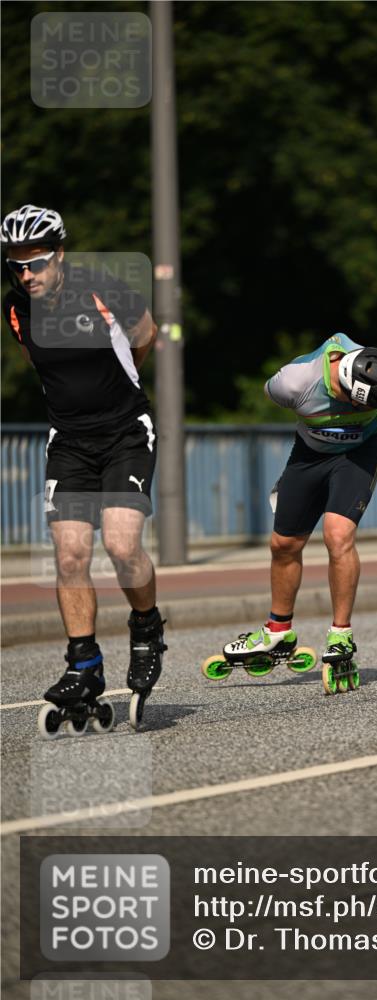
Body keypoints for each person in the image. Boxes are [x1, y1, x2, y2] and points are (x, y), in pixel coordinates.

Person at [1, 204, 166, 733]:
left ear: (61, 255)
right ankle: (83, 663)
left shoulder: (104, 289)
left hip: (124, 433)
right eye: (17, 265)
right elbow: (41, 366)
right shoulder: (15, 308)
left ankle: (146, 629)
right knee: (70, 553)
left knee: (121, 546)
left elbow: (146, 338)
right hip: (69, 441)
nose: (28, 275)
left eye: (38, 262)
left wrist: (120, 394)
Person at [222, 332, 377, 676]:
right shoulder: (293, 383)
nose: (361, 410)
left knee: (337, 535)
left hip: (360, 453)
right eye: (358, 404)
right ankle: (277, 631)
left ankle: (341, 635)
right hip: (310, 454)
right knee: (284, 544)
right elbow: (269, 393)